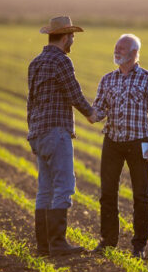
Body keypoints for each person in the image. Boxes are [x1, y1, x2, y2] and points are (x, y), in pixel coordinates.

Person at [27, 16, 96, 257]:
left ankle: (44, 245)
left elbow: (31, 101)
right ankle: (57, 243)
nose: (73, 41)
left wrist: (32, 132)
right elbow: (74, 94)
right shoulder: (61, 61)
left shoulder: (35, 62)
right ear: (65, 37)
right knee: (64, 186)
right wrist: (91, 114)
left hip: (38, 132)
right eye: (72, 37)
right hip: (56, 132)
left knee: (45, 189)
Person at [91, 34, 148, 258]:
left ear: (134, 53)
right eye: (115, 47)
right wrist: (89, 112)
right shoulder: (107, 80)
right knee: (107, 193)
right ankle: (108, 241)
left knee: (141, 196)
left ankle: (139, 245)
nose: (116, 51)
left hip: (139, 143)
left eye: (121, 48)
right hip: (112, 142)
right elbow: (99, 110)